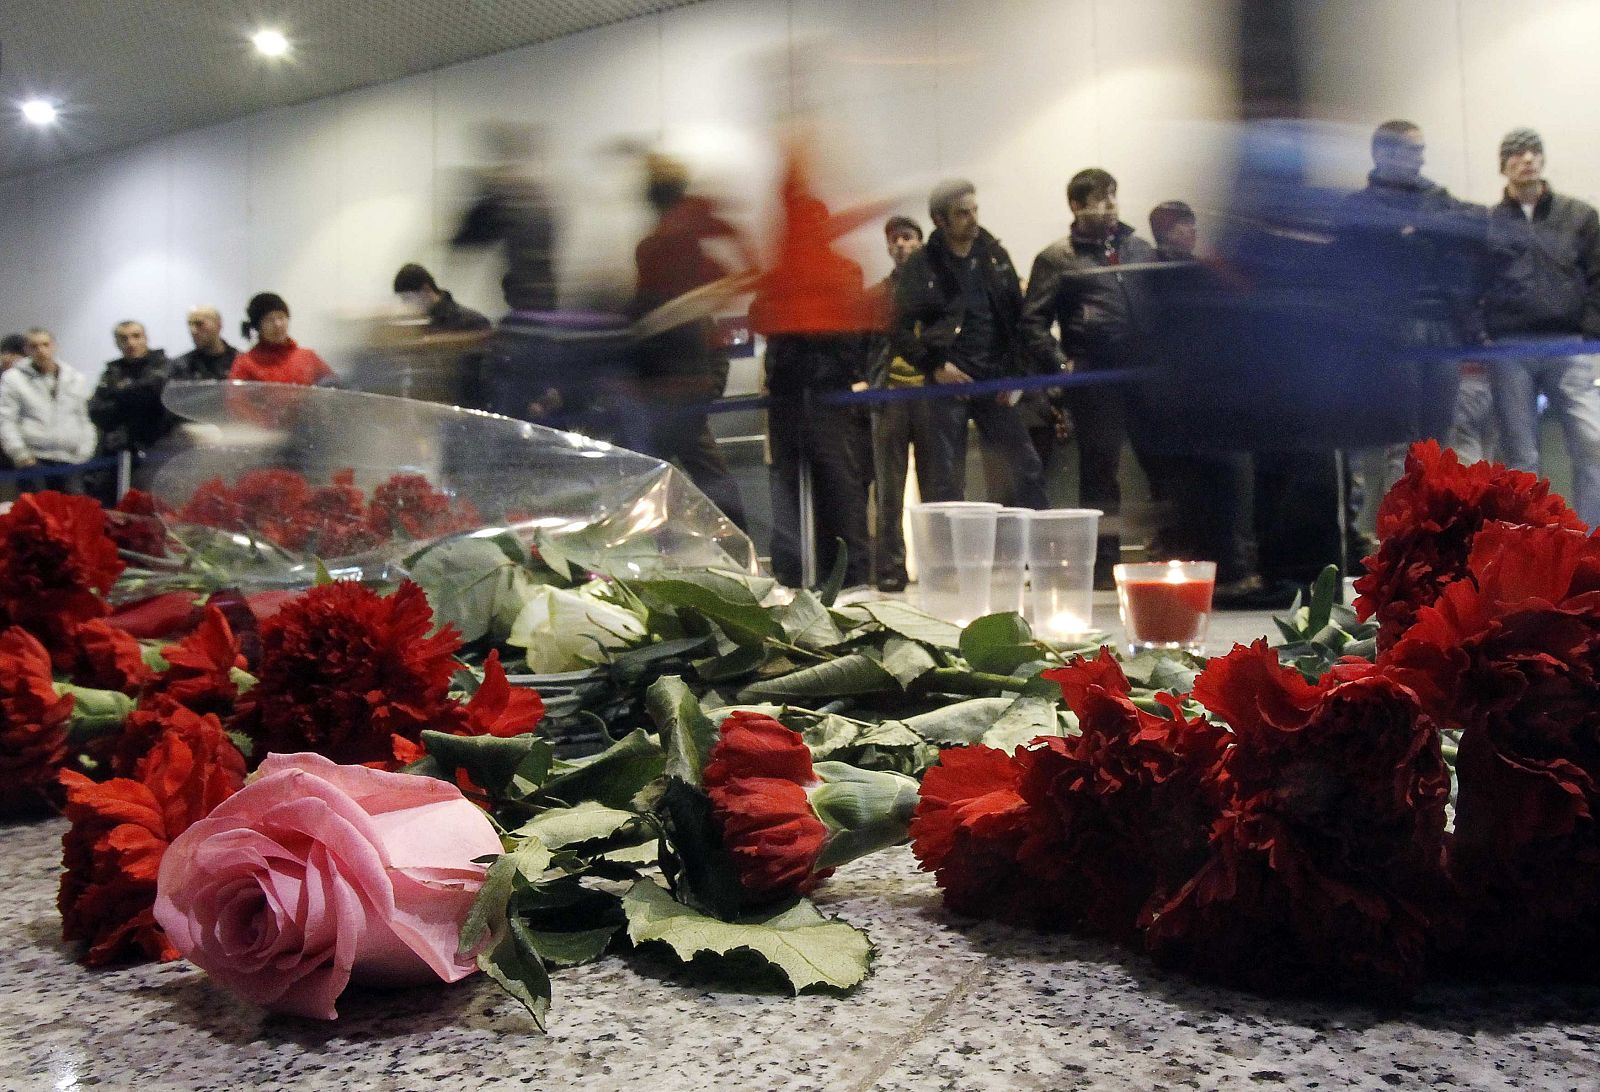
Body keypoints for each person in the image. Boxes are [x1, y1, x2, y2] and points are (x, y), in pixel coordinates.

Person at [1020, 168, 1155, 586]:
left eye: (1113, 195)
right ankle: (1103, 565)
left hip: (1146, 374)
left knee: (1166, 464)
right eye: (1099, 198)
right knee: (1100, 472)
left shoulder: (1139, 248)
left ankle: (1176, 550)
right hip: (1094, 378)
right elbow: (1032, 322)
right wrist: (1061, 364)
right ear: (1076, 206)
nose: (1110, 204)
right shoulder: (1056, 258)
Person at [1339, 120, 1492, 481]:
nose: (1419, 159)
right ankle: (1403, 533)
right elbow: (1359, 259)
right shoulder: (1359, 206)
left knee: (1437, 443)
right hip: (1393, 328)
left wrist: (1418, 227)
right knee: (1403, 441)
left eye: (1420, 150)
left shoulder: (1438, 200)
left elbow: (1478, 225)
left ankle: (1431, 530)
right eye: (1411, 150)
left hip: (1443, 324)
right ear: (1382, 153)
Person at [891, 179, 1046, 513]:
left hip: (997, 379)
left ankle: (1028, 553)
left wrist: (1017, 376)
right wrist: (934, 366)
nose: (973, 218)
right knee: (945, 484)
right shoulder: (922, 265)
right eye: (962, 213)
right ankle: (950, 562)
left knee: (1025, 468)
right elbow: (899, 330)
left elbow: (1019, 321)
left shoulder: (994, 256)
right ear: (940, 219)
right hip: (949, 382)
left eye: (974, 210)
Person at [616, 153, 752, 530]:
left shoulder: (654, 250)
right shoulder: (688, 251)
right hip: (685, 391)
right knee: (712, 483)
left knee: (647, 488)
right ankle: (740, 551)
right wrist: (708, 385)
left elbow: (645, 320)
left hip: (662, 394)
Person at [1481, 127, 1600, 524]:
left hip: (1570, 346)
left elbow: (1598, 274)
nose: (1527, 158)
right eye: (1516, 153)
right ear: (1504, 166)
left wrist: (1590, 333)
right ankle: (1527, 543)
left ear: (1543, 159)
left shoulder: (1579, 216)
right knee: (1520, 455)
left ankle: (1591, 541)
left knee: (1593, 444)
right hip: (1509, 349)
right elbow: (1474, 280)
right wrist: (1482, 330)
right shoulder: (1488, 224)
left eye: (1534, 151)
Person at [869, 215, 952, 591]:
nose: (901, 245)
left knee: (939, 485)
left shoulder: (940, 288)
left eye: (908, 238)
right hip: (890, 394)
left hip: (932, 395)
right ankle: (890, 569)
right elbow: (866, 346)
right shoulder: (879, 294)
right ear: (888, 247)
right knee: (889, 488)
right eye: (895, 239)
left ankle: (941, 568)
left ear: (920, 242)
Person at [0, 328, 96, 493]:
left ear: (54, 346)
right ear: (27, 350)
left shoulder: (74, 378)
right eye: (34, 346)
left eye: (45, 344)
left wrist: (84, 452)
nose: (41, 350)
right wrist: (19, 453)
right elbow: (6, 419)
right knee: (39, 515)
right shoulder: (13, 379)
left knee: (75, 512)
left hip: (70, 459)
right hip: (34, 459)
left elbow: (84, 418)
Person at [89, 320, 175, 489]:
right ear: (117, 343)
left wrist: (117, 394)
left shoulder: (163, 364)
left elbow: (149, 397)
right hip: (117, 452)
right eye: (124, 338)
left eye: (136, 336)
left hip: (156, 447)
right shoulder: (112, 371)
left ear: (146, 338)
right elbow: (96, 410)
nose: (131, 343)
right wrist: (131, 400)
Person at [230, 293, 336, 386]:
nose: (278, 324)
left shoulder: (308, 358)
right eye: (269, 319)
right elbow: (237, 402)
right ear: (258, 326)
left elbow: (334, 388)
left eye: (281, 317)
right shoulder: (246, 364)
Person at [393, 263, 492, 333]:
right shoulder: (420, 323)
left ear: (426, 290)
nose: (406, 305)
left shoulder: (472, 322)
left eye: (407, 299)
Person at [170, 306, 239, 381]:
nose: (193, 331)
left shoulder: (238, 362)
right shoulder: (181, 366)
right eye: (190, 324)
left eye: (199, 324)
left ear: (218, 325)